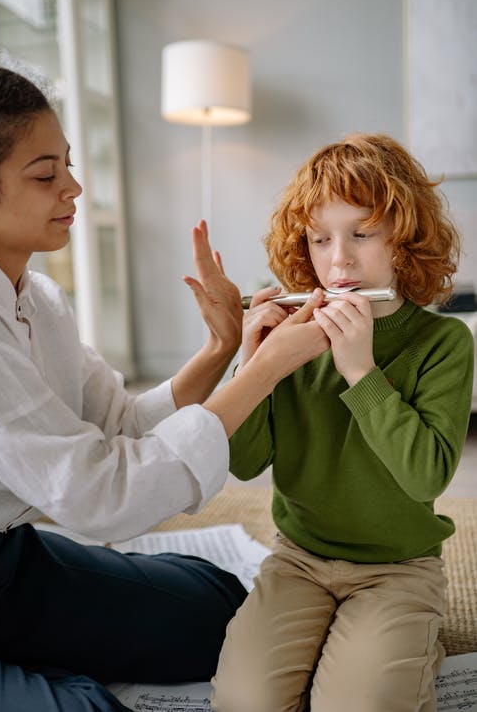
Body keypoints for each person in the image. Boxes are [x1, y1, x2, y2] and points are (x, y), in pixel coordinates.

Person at [0, 62, 330, 712]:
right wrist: (264, 370)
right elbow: (99, 495)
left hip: (5, 562)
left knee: (225, 611)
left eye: (69, 165)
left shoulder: (42, 299)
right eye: (46, 175)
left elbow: (117, 425)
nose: (74, 188)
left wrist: (223, 350)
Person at [211, 133, 475, 712]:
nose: (339, 260)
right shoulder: (292, 337)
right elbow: (245, 460)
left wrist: (361, 372)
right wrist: (252, 367)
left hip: (398, 568)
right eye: (320, 238)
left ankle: (412, 642)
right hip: (298, 558)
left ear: (404, 240)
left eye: (362, 233)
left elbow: (425, 477)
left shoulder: (444, 342)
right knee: (241, 703)